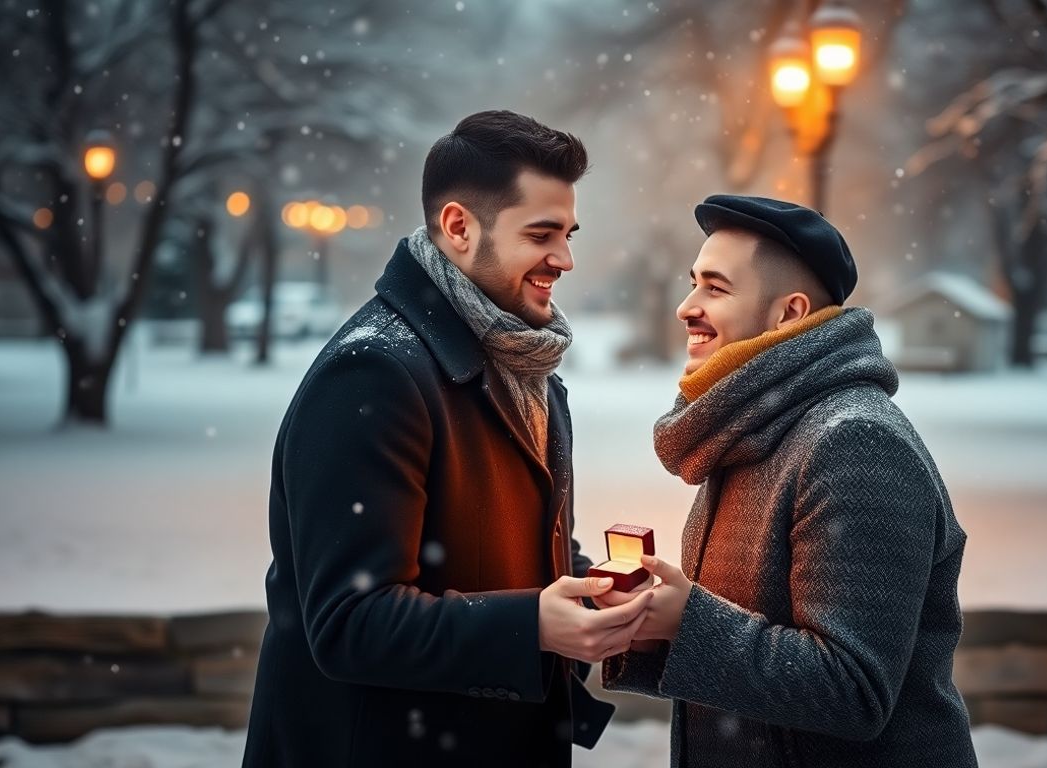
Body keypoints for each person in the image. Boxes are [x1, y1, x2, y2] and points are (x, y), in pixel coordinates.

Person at [242, 110, 651, 767]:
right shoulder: (374, 373)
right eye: (542, 234)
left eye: (569, 233)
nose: (565, 259)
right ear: (459, 227)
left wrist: (594, 588)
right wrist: (535, 626)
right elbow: (351, 623)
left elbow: (500, 551)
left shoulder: (522, 365)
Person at [599, 195, 978, 767]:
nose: (686, 306)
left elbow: (854, 691)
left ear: (789, 313)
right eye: (692, 282)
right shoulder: (754, 427)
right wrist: (653, 627)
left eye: (715, 288)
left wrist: (689, 621)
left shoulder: (854, 443)